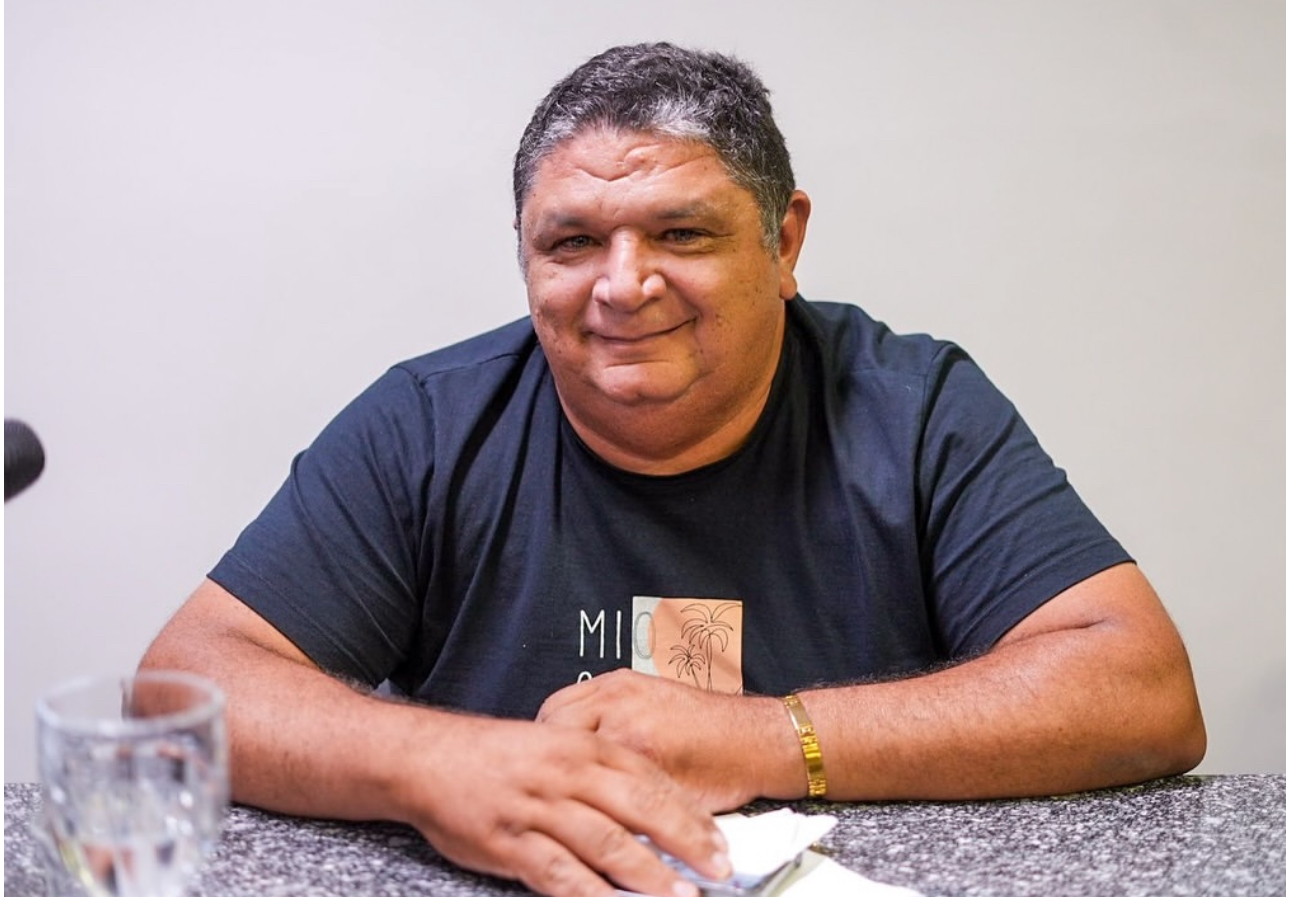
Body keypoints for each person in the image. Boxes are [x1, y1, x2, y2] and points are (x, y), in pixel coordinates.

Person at [140, 41, 1206, 897]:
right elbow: (184, 685)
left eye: (681, 232)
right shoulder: (425, 423)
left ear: (784, 245)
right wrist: (436, 765)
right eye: (571, 244)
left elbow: (1141, 690)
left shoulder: (914, 406)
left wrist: (771, 739)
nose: (623, 285)